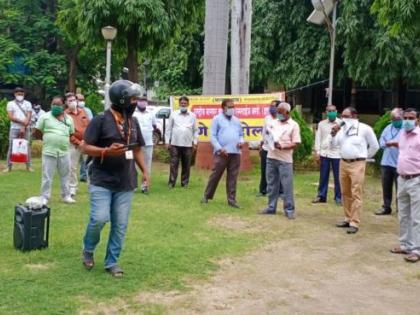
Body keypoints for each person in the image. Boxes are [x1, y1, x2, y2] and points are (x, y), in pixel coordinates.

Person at [81, 80, 149, 277]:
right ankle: (88, 248)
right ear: (121, 99)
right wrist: (105, 151)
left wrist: (145, 171)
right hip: (102, 180)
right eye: (132, 99)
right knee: (99, 218)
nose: (135, 102)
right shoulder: (101, 119)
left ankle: (112, 262)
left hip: (125, 182)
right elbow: (84, 147)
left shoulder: (132, 122)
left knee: (120, 225)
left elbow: (136, 149)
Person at [331, 107, 379, 234]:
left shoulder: (365, 129)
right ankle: (347, 218)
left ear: (354, 116)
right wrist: (334, 133)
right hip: (343, 162)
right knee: (345, 192)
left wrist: (364, 157)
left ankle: (354, 222)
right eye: (342, 116)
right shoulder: (341, 129)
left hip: (357, 163)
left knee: (356, 192)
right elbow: (334, 144)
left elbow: (375, 146)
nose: (343, 119)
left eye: (346, 116)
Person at [259, 102, 301, 219]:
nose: (279, 114)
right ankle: (271, 207)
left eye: (281, 113)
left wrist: (282, 146)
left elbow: (296, 143)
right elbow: (267, 136)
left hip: (285, 160)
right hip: (271, 157)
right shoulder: (273, 123)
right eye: (278, 112)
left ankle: (289, 209)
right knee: (272, 185)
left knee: (287, 185)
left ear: (288, 113)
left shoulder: (294, 125)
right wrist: (269, 142)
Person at [201, 99, 244, 208]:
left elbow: (241, 135)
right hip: (221, 153)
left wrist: (241, 142)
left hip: (235, 152)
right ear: (223, 107)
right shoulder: (217, 119)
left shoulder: (237, 120)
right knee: (215, 175)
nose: (231, 109)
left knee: (233, 177)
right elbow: (213, 137)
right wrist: (220, 148)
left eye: (233, 107)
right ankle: (206, 196)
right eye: (229, 107)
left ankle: (232, 200)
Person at [390, 108, 420, 263]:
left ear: (417, 120)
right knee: (403, 214)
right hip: (401, 179)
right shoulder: (402, 134)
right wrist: (393, 144)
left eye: (411, 118)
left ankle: (416, 249)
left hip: (416, 180)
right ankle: (405, 245)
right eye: (406, 117)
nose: (407, 120)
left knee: (416, 217)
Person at [33, 96, 76, 204]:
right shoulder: (45, 117)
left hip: (64, 151)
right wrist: (48, 138)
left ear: (63, 106)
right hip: (49, 151)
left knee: (65, 174)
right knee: (47, 175)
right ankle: (44, 197)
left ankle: (66, 196)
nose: (55, 106)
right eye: (53, 104)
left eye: (58, 104)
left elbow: (71, 134)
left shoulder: (69, 119)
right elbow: (37, 131)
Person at [165, 96, 198, 188]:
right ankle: (171, 183)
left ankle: (185, 183)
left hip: (188, 144)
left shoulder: (193, 115)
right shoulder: (173, 114)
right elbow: (168, 129)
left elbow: (195, 130)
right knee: (174, 164)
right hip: (175, 144)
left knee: (186, 165)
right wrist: (167, 142)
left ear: (188, 104)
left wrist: (195, 142)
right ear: (179, 104)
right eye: (181, 103)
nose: (183, 104)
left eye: (185, 103)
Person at [312, 105, 342, 205]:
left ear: (336, 111)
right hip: (324, 153)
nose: (331, 112)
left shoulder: (341, 123)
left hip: (337, 154)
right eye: (329, 111)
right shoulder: (321, 124)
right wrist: (317, 152)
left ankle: (338, 197)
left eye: (333, 111)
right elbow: (318, 138)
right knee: (323, 175)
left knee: (338, 177)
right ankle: (321, 196)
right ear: (326, 112)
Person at [375, 108, 403, 215]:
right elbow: (381, 141)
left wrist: (395, 143)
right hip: (386, 163)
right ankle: (386, 207)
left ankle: (400, 209)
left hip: (400, 163)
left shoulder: (407, 128)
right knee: (386, 186)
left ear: (402, 117)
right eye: (393, 118)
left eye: (397, 118)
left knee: (400, 188)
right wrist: (385, 144)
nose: (395, 120)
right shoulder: (388, 127)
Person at [65, 93, 90, 197]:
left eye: (74, 100)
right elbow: (67, 132)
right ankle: (72, 188)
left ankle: (92, 185)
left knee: (90, 165)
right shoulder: (65, 114)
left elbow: (89, 126)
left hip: (86, 143)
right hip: (73, 144)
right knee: (72, 167)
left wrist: (86, 140)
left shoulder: (83, 112)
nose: (72, 102)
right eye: (70, 101)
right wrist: (79, 143)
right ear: (66, 103)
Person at [257, 100, 283, 197]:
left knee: (278, 171)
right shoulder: (267, 118)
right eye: (270, 106)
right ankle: (263, 190)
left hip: (276, 149)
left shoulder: (281, 119)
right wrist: (261, 144)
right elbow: (264, 133)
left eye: (273, 106)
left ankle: (280, 191)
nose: (271, 108)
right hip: (266, 148)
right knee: (264, 170)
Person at [4, 87, 33, 172]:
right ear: (15, 94)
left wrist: (23, 126)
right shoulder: (10, 104)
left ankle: (29, 166)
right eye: (18, 94)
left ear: (24, 94)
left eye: (22, 94)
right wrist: (22, 122)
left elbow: (29, 116)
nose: (20, 95)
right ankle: (8, 167)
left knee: (26, 146)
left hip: (26, 128)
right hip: (14, 128)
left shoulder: (28, 103)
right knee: (11, 146)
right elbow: (10, 117)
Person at [133, 96, 157, 193]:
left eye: (144, 101)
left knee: (147, 166)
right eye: (140, 101)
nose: (142, 102)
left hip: (148, 143)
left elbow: (154, 126)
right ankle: (133, 185)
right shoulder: (133, 113)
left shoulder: (151, 113)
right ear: (137, 102)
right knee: (133, 165)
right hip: (135, 144)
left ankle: (145, 186)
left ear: (146, 102)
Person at [76, 93, 93, 182]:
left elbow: (91, 123)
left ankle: (85, 176)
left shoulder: (87, 111)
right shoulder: (72, 112)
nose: (82, 102)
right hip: (74, 140)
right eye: (80, 100)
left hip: (86, 139)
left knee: (86, 159)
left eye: (83, 99)